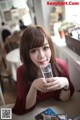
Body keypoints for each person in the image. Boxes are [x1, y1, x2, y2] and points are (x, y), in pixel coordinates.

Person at [12, 25, 74, 115]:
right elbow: (26, 107)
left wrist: (66, 83)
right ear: (27, 54)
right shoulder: (22, 72)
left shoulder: (60, 66)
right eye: (33, 51)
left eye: (45, 48)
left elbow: (64, 100)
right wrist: (34, 86)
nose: (41, 56)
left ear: (51, 48)